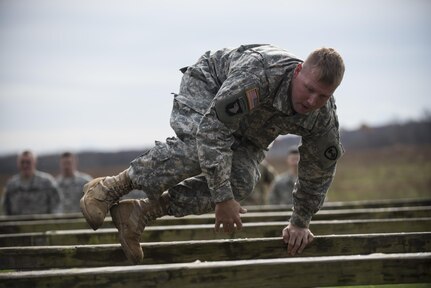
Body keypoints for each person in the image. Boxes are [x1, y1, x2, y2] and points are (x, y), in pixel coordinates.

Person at [80, 44, 345, 264]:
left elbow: (318, 170)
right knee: (200, 149)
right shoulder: (261, 74)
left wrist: (300, 221)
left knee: (241, 179)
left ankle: (139, 213)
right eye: (308, 89)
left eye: (322, 96)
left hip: (249, 130)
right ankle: (109, 188)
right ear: (298, 71)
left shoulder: (323, 117)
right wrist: (222, 197)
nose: (312, 101)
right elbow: (212, 132)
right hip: (210, 89)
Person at [1, 150, 63, 215]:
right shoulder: (11, 184)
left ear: (34, 162)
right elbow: (5, 209)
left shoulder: (47, 182)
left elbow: (57, 207)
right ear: (18, 163)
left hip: (42, 224)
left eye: (28, 162)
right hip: (17, 224)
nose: (25, 165)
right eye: (22, 162)